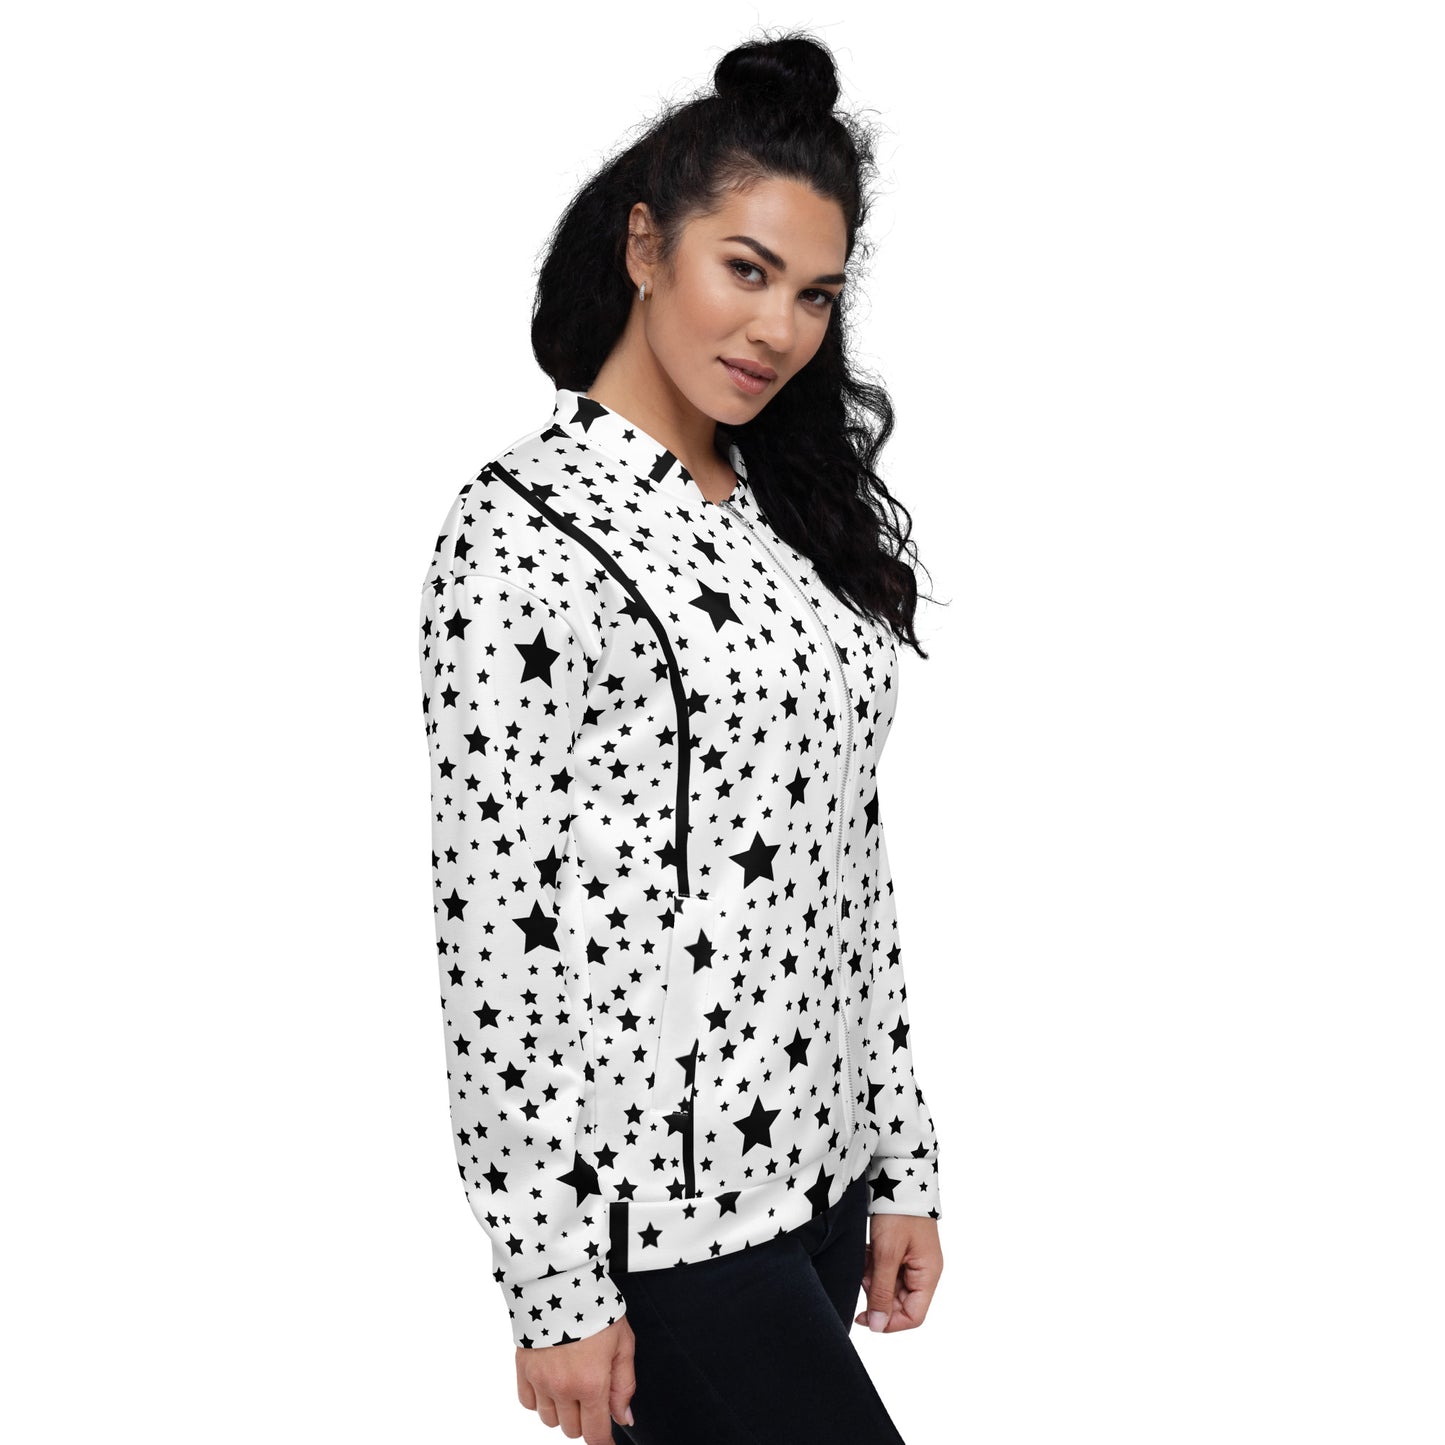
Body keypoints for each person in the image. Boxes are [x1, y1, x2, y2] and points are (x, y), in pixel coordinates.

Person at [418, 29, 943, 1445]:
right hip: (661, 1224)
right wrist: (549, 1282)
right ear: (647, 246)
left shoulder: (786, 518)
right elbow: (495, 936)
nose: (779, 329)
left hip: (820, 1182)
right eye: (746, 270)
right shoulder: (520, 536)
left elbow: (848, 864)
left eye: (815, 295)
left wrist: (901, 1155)